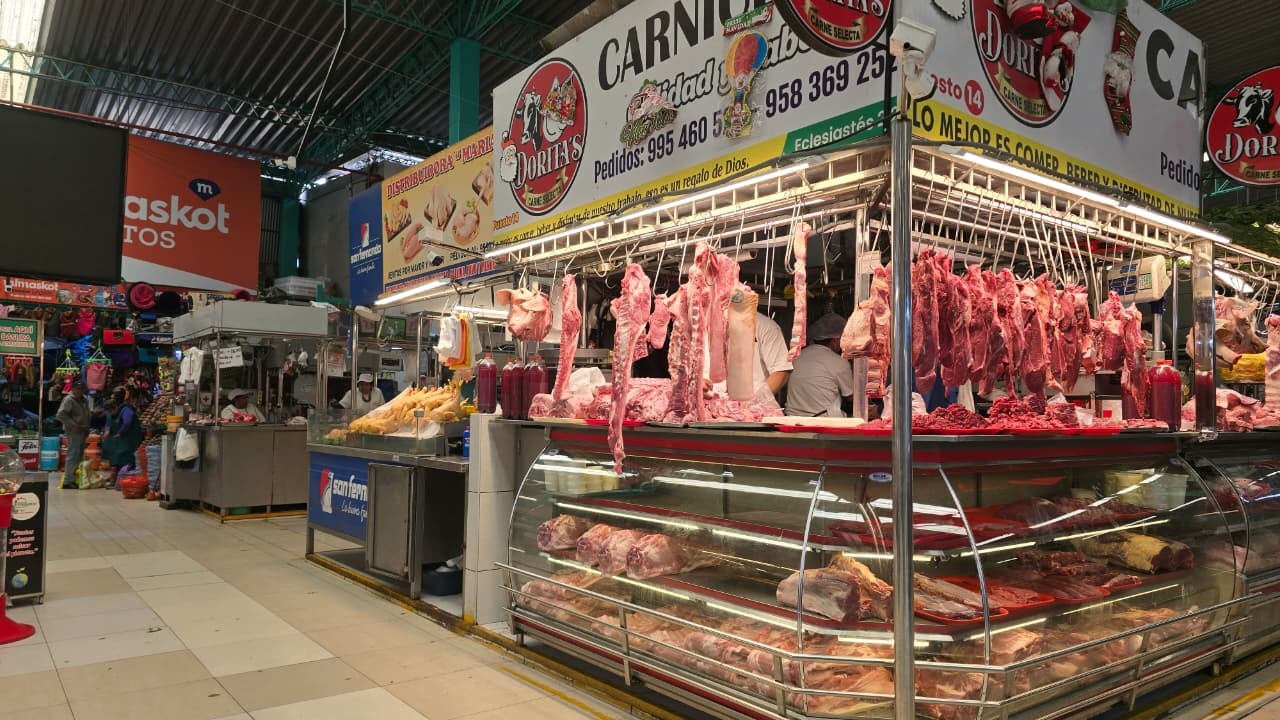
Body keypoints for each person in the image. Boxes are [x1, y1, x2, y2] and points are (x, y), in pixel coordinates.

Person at [705, 312, 793, 398]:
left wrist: (755, 401)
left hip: (751, 404)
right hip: (708, 403)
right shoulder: (700, 325)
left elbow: (781, 371)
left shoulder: (764, 325)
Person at [786, 313, 856, 417]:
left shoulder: (797, 356)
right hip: (823, 421)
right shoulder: (839, 361)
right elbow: (851, 396)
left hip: (792, 418)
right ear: (835, 340)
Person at [56, 380, 91, 489]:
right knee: (73, 455)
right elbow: (60, 414)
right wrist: (73, 425)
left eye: (82, 389)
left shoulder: (84, 400)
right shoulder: (69, 400)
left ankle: (74, 478)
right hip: (74, 431)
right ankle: (67, 481)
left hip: (82, 430)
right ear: (73, 389)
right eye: (78, 389)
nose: (80, 391)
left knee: (79, 455)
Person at [103, 389, 144, 472]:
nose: (110, 413)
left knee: (127, 457)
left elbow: (127, 422)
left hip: (130, 438)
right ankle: (118, 474)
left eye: (111, 411)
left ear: (115, 407)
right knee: (116, 457)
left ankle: (127, 473)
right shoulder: (110, 413)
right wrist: (107, 431)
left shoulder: (126, 410)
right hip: (120, 439)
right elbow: (108, 422)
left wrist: (120, 432)